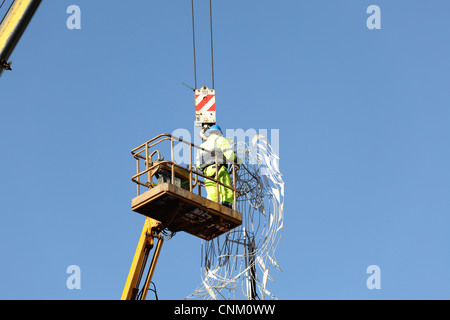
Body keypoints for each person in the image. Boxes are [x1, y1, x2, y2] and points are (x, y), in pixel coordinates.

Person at [196, 125, 236, 208]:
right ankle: (227, 205)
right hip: (219, 168)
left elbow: (198, 165)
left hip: (207, 172)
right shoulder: (221, 140)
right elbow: (229, 155)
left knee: (211, 191)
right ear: (218, 133)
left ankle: (212, 207)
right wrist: (236, 160)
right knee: (226, 187)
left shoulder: (201, 146)